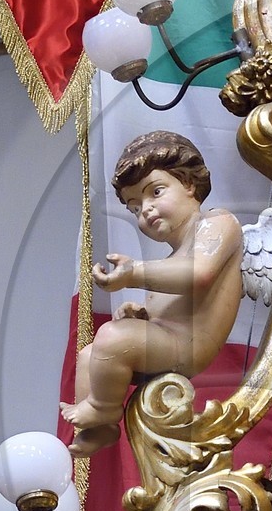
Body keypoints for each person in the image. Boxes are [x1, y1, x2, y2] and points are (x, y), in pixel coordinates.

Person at [63, 131, 245, 451]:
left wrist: (134, 273)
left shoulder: (217, 223)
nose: (145, 210)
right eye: (135, 208)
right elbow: (174, 303)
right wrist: (140, 315)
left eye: (155, 192)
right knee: (89, 354)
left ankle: (104, 409)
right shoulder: (171, 258)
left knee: (112, 337)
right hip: (169, 341)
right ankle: (100, 429)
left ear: (188, 183)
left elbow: (199, 274)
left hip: (188, 347)